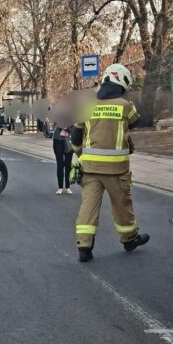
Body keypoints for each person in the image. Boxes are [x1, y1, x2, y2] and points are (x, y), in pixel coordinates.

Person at [71, 64, 150, 262]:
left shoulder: (87, 104)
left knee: (88, 208)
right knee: (122, 206)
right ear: (121, 83)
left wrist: (80, 155)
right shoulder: (125, 106)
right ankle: (129, 239)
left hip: (90, 170)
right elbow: (135, 122)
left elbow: (76, 135)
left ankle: (84, 247)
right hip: (117, 170)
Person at [51, 99, 74, 194]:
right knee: (60, 164)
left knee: (68, 164)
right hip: (58, 140)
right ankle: (60, 187)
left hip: (68, 141)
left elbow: (75, 127)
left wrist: (67, 128)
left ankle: (68, 186)